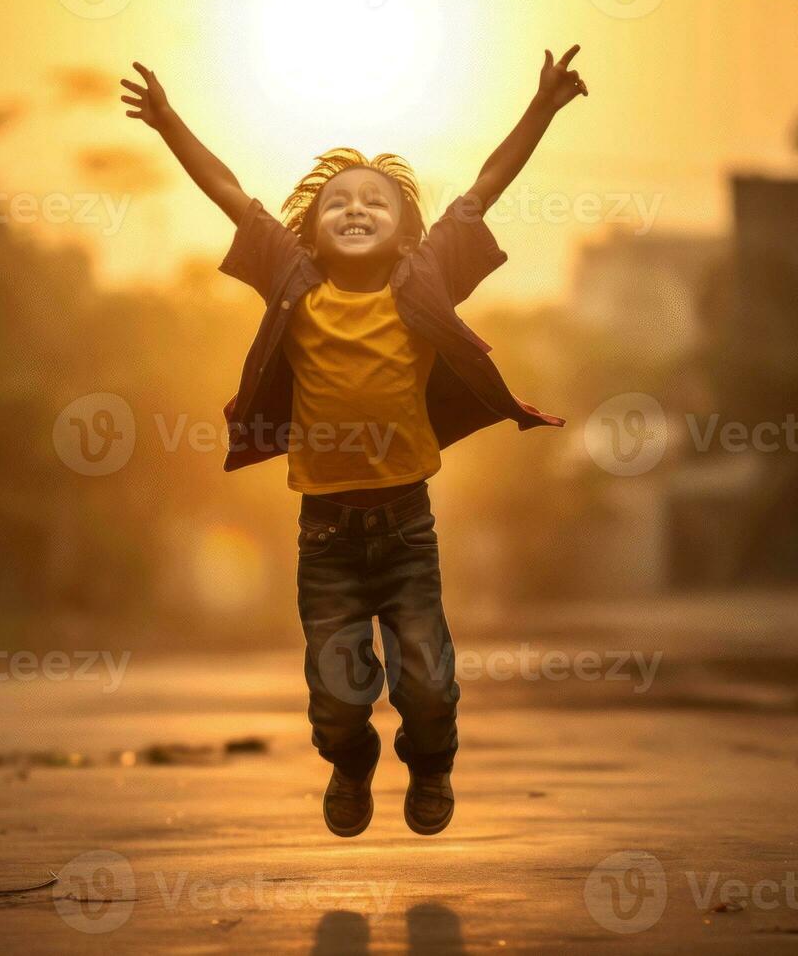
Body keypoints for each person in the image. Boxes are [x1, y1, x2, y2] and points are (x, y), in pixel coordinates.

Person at [121, 47, 585, 836]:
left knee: (428, 682)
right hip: (325, 535)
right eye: (338, 201)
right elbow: (231, 194)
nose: (358, 208)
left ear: (408, 231)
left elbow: (483, 186)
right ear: (309, 229)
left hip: (407, 527)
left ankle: (431, 762)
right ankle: (350, 760)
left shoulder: (426, 273)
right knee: (336, 697)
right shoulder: (292, 277)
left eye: (377, 200)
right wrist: (168, 123)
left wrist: (540, 109)